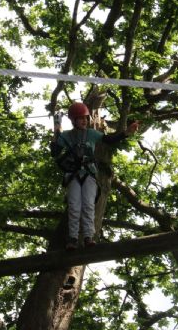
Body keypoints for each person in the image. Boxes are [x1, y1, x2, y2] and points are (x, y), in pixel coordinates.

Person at [50, 102, 138, 250]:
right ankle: (72, 239)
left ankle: (88, 237)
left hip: (89, 173)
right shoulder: (66, 136)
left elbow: (109, 140)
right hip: (73, 175)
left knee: (88, 205)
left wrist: (126, 133)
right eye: (80, 118)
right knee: (74, 206)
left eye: (86, 118)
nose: (84, 121)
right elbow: (55, 153)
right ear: (73, 120)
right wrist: (56, 135)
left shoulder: (91, 133)